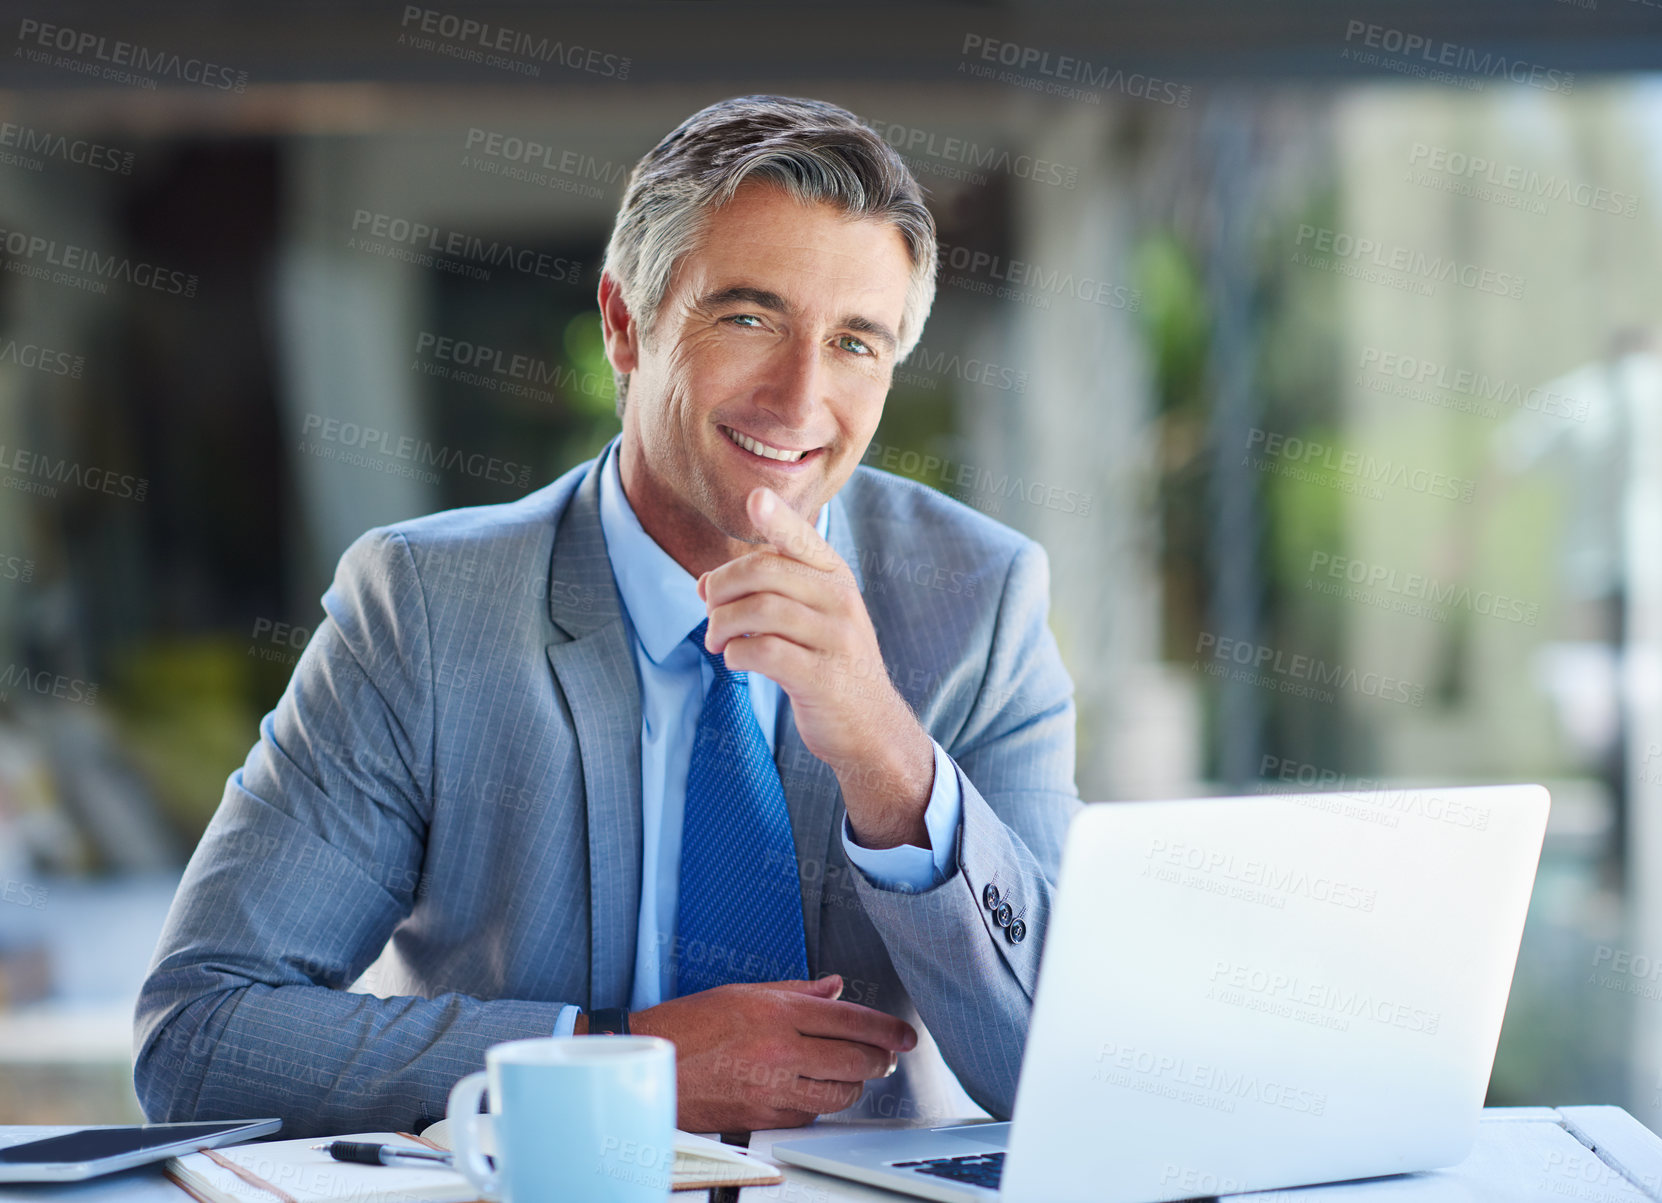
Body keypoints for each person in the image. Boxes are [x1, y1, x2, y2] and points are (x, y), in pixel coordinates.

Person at [133, 94, 1080, 1138]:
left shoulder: (981, 602)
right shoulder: (425, 611)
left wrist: (889, 757)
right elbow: (201, 1035)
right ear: (626, 325)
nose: (801, 397)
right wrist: (624, 1060)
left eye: (858, 342)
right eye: (749, 317)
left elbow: (1064, 1071)